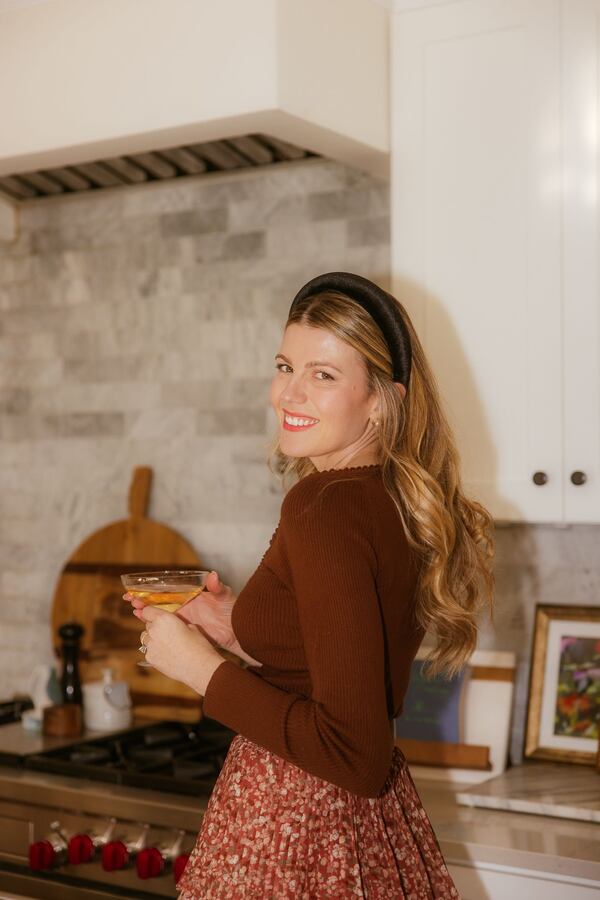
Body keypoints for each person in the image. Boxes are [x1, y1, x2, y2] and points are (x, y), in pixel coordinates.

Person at [124, 272, 495, 899]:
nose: (287, 393)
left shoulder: (321, 506)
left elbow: (353, 752)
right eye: (285, 365)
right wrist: (231, 626)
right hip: (361, 826)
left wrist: (199, 670)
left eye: (323, 375)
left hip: (298, 821)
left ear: (380, 399)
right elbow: (335, 668)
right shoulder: (385, 495)